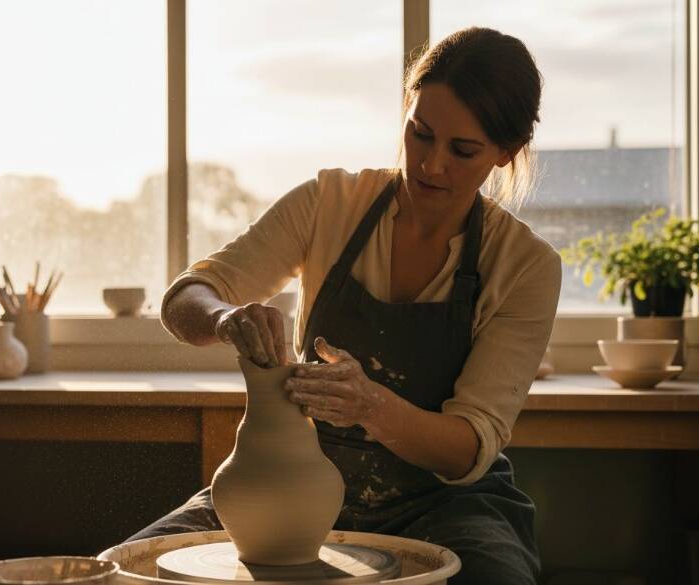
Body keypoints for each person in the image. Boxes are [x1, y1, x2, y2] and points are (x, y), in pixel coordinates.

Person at [125, 26, 561, 585]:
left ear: (507, 152)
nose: (431, 165)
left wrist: (370, 407)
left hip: (447, 504)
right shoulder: (328, 204)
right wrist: (224, 318)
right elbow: (185, 298)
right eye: (420, 134)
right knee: (121, 569)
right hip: (291, 480)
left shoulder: (525, 264)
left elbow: (467, 448)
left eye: (462, 150)